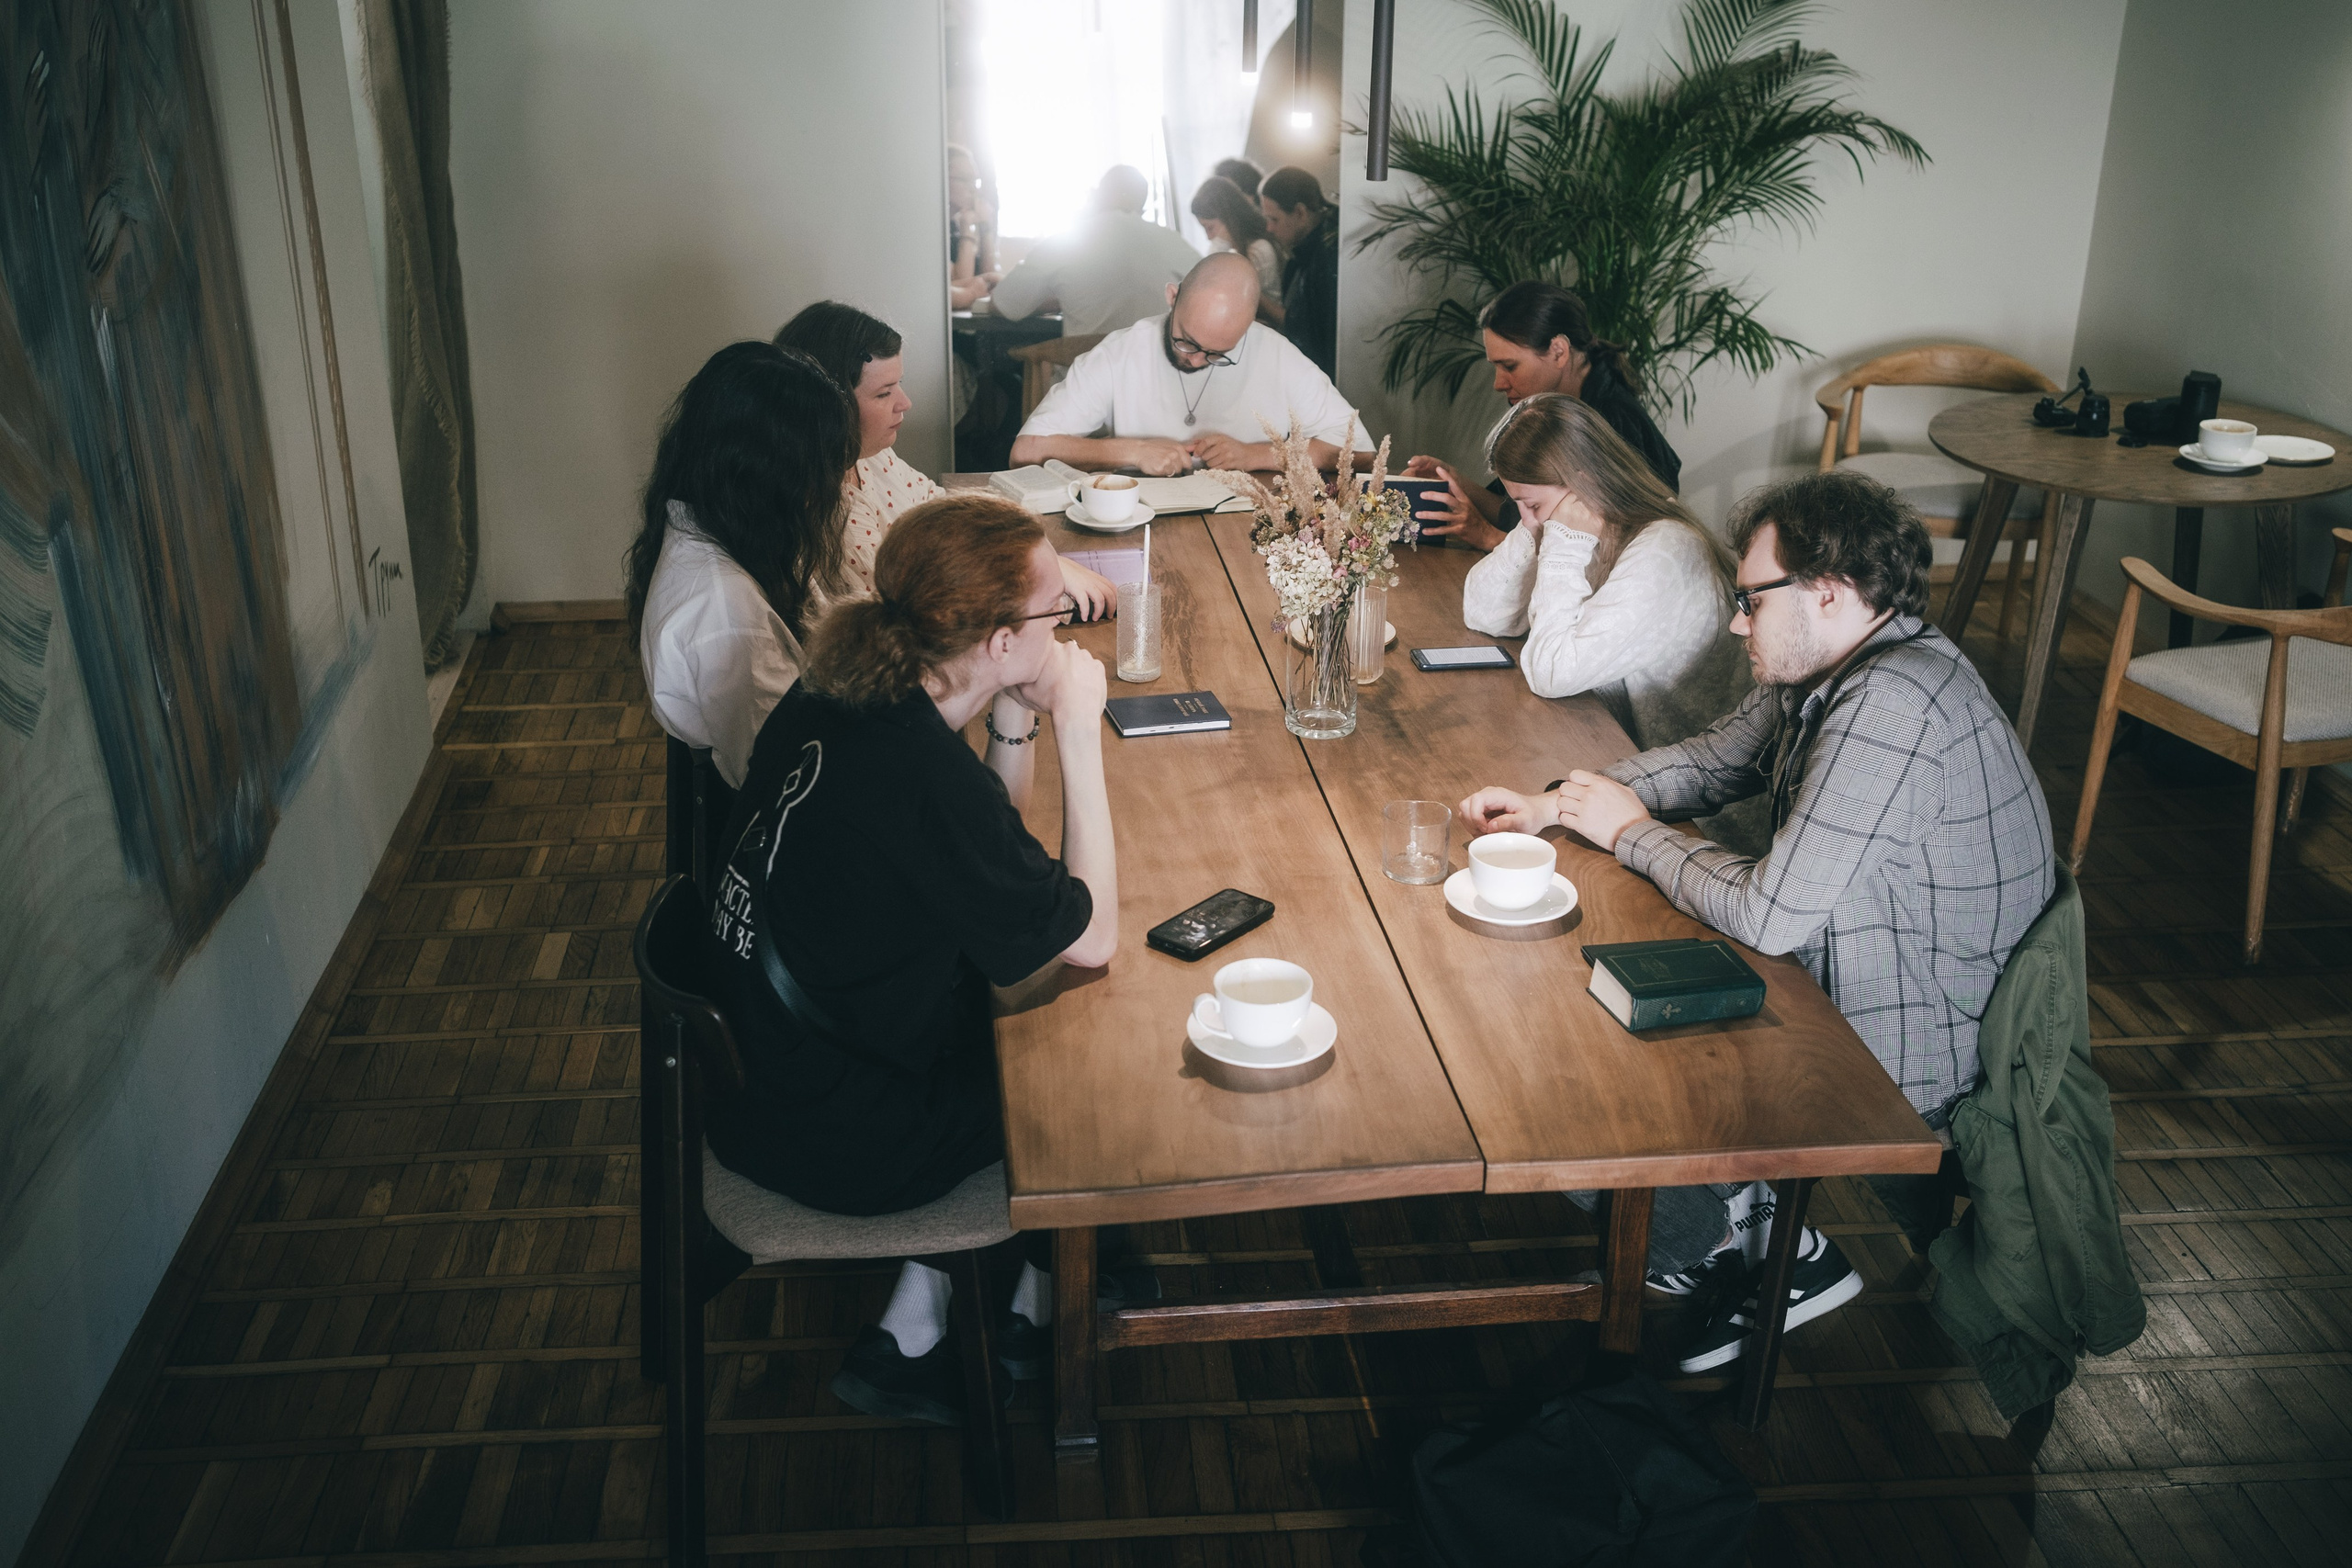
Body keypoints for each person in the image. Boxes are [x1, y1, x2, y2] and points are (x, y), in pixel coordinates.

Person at [1455, 470, 2055, 1374]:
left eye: (1749, 600)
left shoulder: (1890, 704)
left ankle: (1764, 1253)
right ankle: (1730, 1230)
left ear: (1827, 590)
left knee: (1567, 1061)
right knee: (1574, 991)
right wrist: (1561, 804)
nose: (1737, 623)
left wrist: (1629, 833)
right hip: (1855, 971)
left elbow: (1768, 916)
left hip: (1899, 1046)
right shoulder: (1839, 659)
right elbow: (1714, 761)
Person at [705, 492, 1118, 1423]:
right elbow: (1087, 941)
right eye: (1055, 612)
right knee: (1086, 1084)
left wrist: (1014, 722)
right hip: (843, 1134)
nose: (1065, 627)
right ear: (1001, 641)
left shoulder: (843, 694)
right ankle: (1032, 1300)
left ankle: (953, 1309)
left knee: (1022, 1022)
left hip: (765, 1075)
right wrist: (1078, 730)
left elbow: (974, 853)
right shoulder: (913, 775)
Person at [775, 300, 1114, 619]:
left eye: (899, 385)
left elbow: (938, 507)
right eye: (883, 393)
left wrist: (1038, 556)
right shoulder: (832, 516)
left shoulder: (869, 459)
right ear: (829, 408)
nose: (904, 403)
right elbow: (910, 616)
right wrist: (1036, 575)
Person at [1461, 394, 1747, 752]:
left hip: (1684, 787)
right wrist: (1532, 533)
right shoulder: (1580, 530)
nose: (1527, 517)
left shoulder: (1664, 550)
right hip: (1612, 746)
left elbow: (1551, 674)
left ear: (1583, 486)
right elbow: (1484, 613)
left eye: (1533, 504)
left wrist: (1563, 545)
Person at [627, 341, 854, 790]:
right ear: (775, 473)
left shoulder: (706, 518)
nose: (837, 481)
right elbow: (785, 779)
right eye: (823, 465)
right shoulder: (727, 616)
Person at [1010, 251, 1364, 477]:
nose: (1195, 360)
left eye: (1217, 354)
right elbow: (1025, 452)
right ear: (1172, 296)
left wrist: (1257, 455)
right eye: (1187, 341)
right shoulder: (1120, 353)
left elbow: (1361, 453)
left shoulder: (1277, 353)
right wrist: (1132, 450)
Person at [1406, 281, 1682, 551]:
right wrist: (1452, 478)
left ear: (1558, 351)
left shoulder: (1611, 425)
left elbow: (1597, 553)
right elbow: (1514, 509)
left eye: (1510, 366)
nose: (1498, 383)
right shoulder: (1553, 412)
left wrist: (1489, 538)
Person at [990, 164, 1202, 337]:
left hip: (1083, 381)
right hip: (1154, 381)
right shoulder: (1171, 241)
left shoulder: (1068, 240)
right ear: (1142, 207)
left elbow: (1003, 305)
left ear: (1098, 196)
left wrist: (1052, 303)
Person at [1259, 165, 1338, 376]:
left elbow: (1308, 332)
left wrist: (1258, 300)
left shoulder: (1327, 256)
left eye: (1274, 219)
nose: (1269, 228)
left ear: (1300, 213)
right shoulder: (1313, 248)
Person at [1189, 175, 1284, 322]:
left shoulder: (1260, 249)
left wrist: (1220, 243)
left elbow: (1208, 284)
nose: (1208, 237)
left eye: (1210, 228)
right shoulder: (1242, 250)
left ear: (1228, 219)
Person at [947, 143, 1000, 310]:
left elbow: (990, 276)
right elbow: (961, 280)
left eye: (975, 181)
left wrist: (985, 228)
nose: (973, 189)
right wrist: (967, 227)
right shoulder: (933, 230)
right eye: (964, 179)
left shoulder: (955, 224)